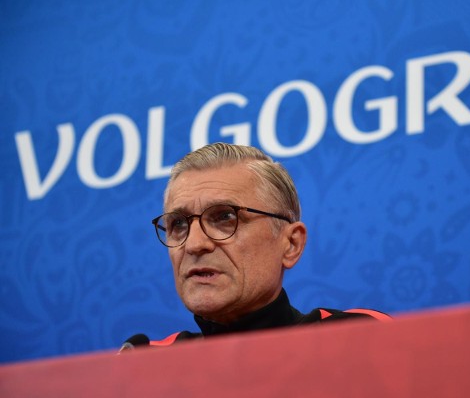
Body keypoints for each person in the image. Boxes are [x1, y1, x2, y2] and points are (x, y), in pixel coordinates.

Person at [122, 143, 390, 350]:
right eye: (179, 223)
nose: (194, 244)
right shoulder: (147, 364)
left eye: (225, 217)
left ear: (290, 244)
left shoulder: (362, 338)